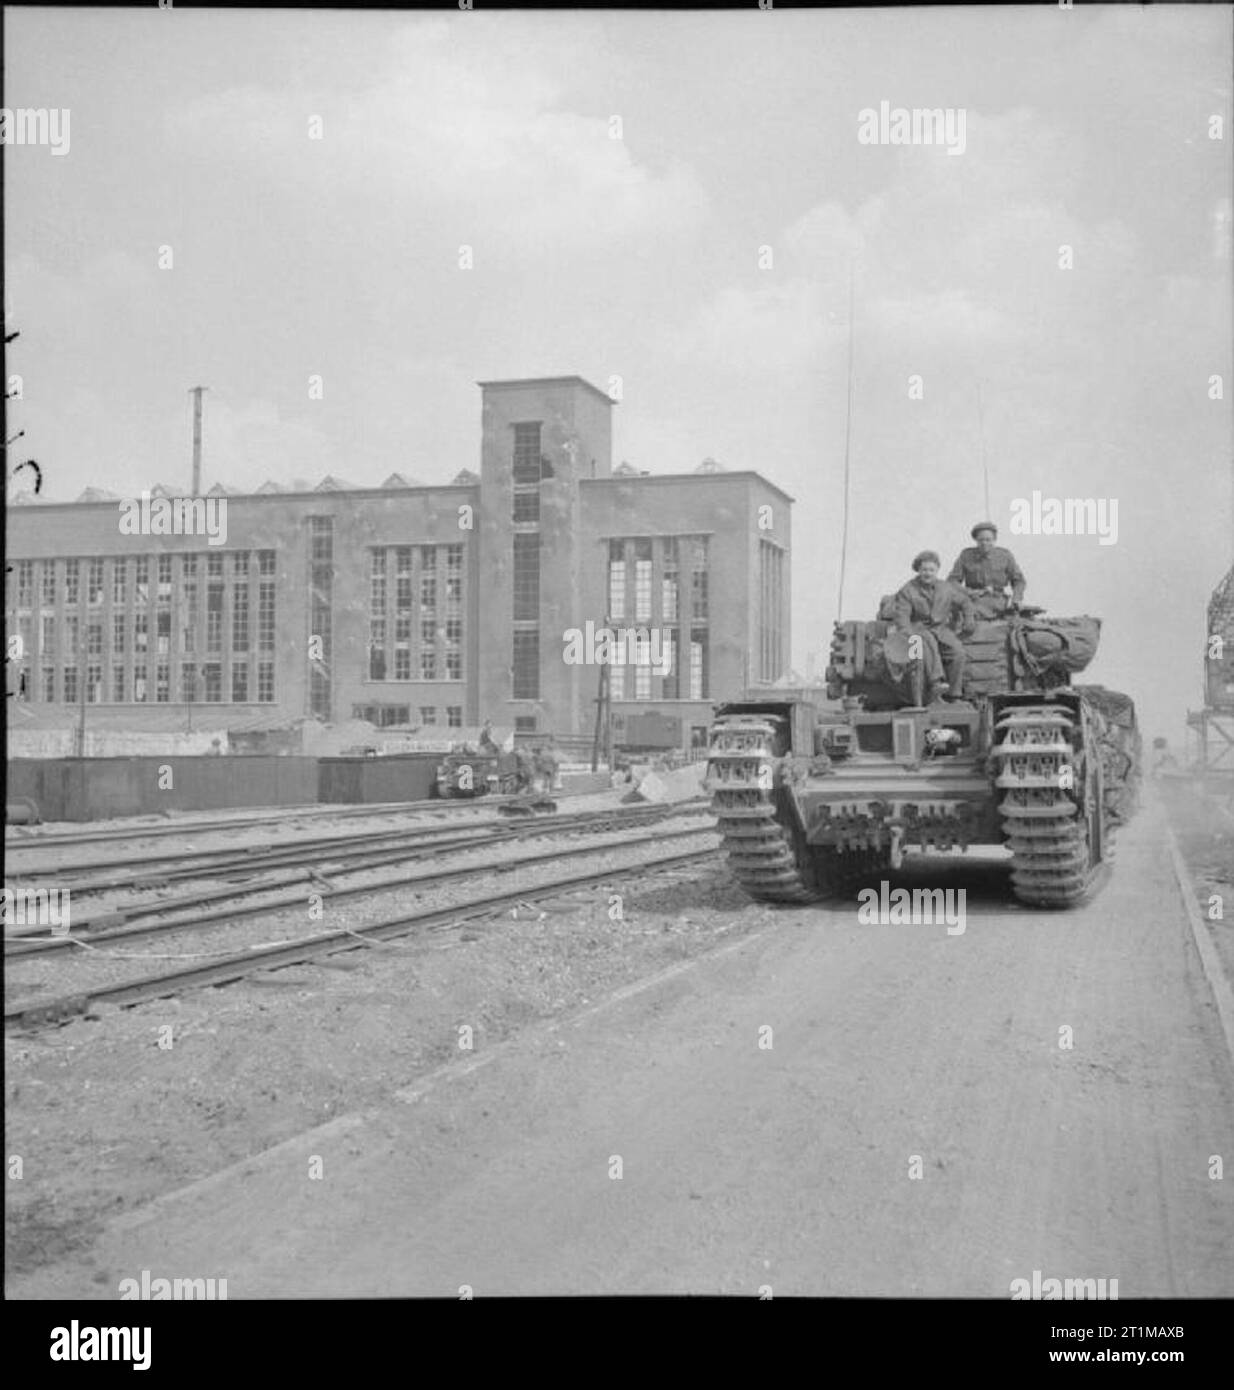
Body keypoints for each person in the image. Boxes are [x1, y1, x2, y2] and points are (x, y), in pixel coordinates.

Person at [891, 550, 975, 702]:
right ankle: (936, 682)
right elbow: (902, 617)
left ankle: (953, 694)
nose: (927, 573)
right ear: (918, 570)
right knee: (927, 641)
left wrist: (969, 619)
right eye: (924, 570)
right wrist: (908, 635)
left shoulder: (946, 588)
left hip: (941, 629)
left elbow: (965, 602)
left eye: (931, 570)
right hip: (917, 629)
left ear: (937, 571)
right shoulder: (908, 590)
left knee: (958, 652)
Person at [948, 521, 1026, 620]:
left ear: (994, 539)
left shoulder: (1005, 556)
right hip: (974, 599)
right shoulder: (966, 555)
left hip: (999, 600)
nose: (984, 543)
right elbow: (952, 581)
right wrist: (969, 592)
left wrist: (1017, 598)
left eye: (988, 540)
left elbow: (1019, 580)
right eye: (981, 540)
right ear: (975, 540)